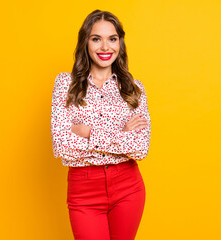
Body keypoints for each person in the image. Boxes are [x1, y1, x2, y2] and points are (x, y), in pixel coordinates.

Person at [50, 9, 151, 240]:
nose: (105, 47)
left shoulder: (134, 89)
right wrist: (122, 134)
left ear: (120, 43)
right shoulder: (66, 84)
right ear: (86, 42)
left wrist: (86, 132)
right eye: (97, 39)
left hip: (128, 187)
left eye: (112, 39)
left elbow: (140, 147)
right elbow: (62, 145)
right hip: (84, 191)